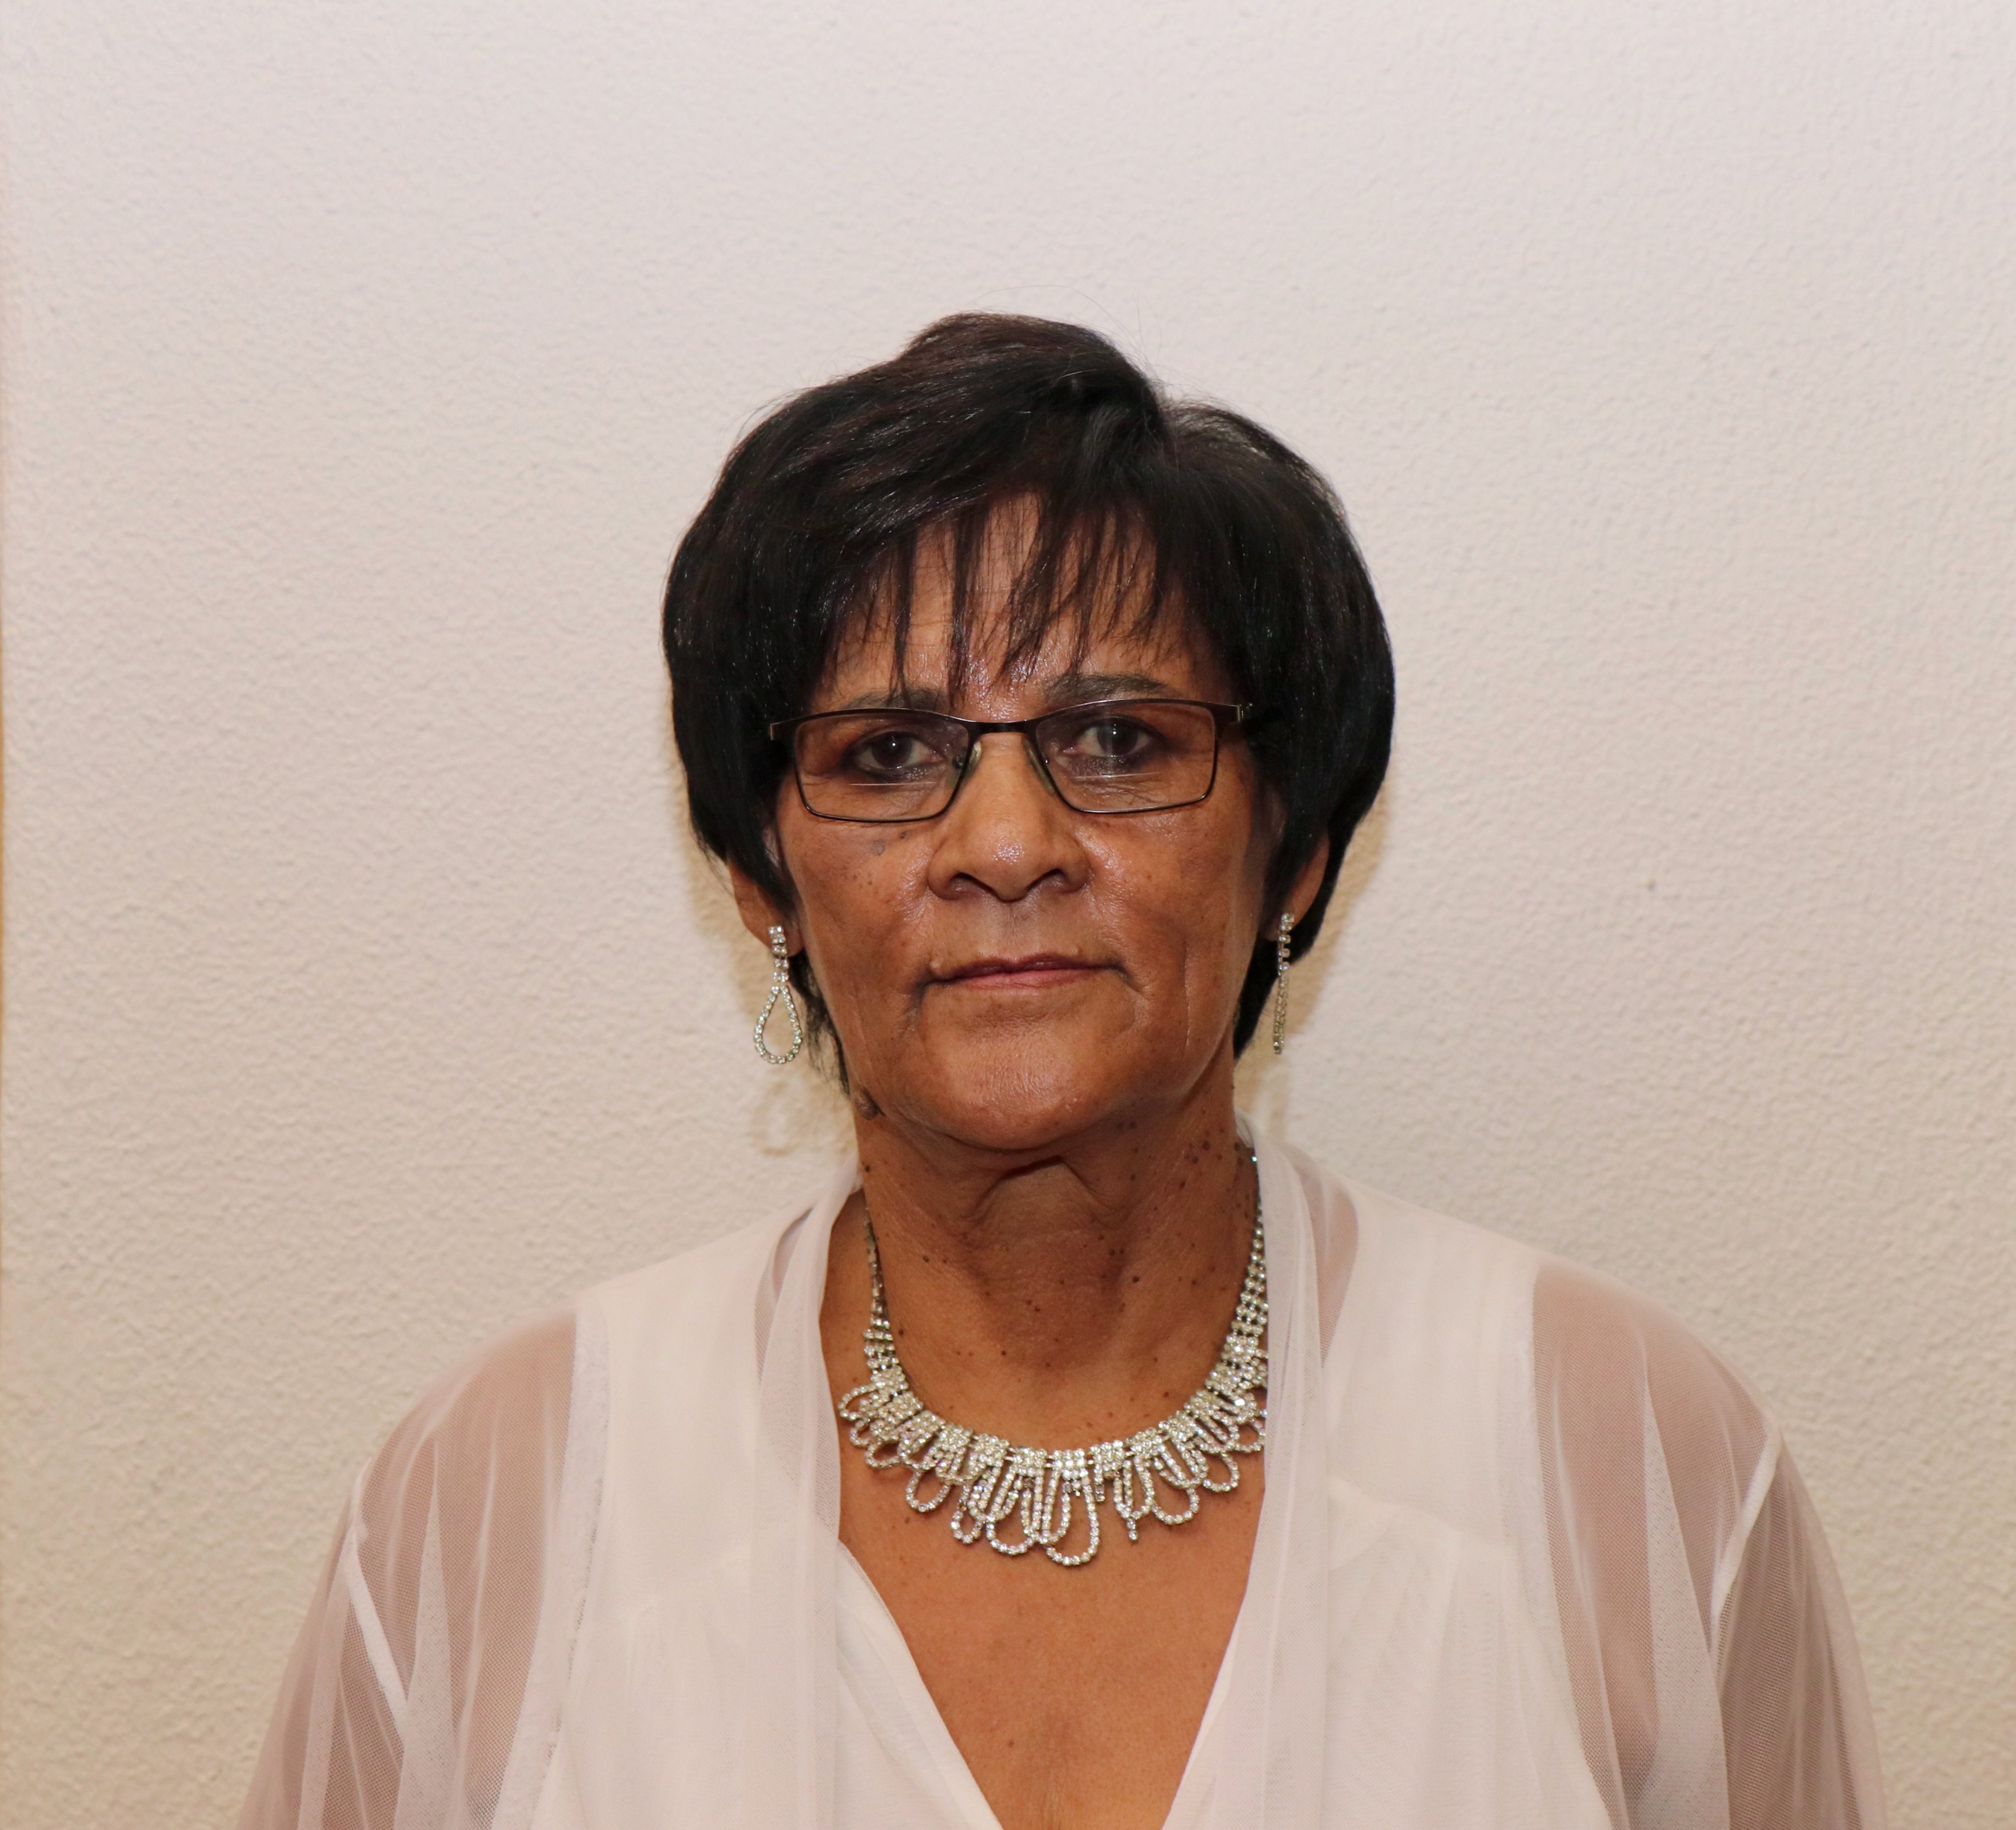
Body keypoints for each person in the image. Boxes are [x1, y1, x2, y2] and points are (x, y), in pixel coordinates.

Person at [241, 315, 1885, 1830]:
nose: (1007, 843)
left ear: (1296, 848)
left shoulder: (1620, 1448)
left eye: (1117, 740)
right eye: (889, 755)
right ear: (762, 880)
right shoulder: (506, 1494)